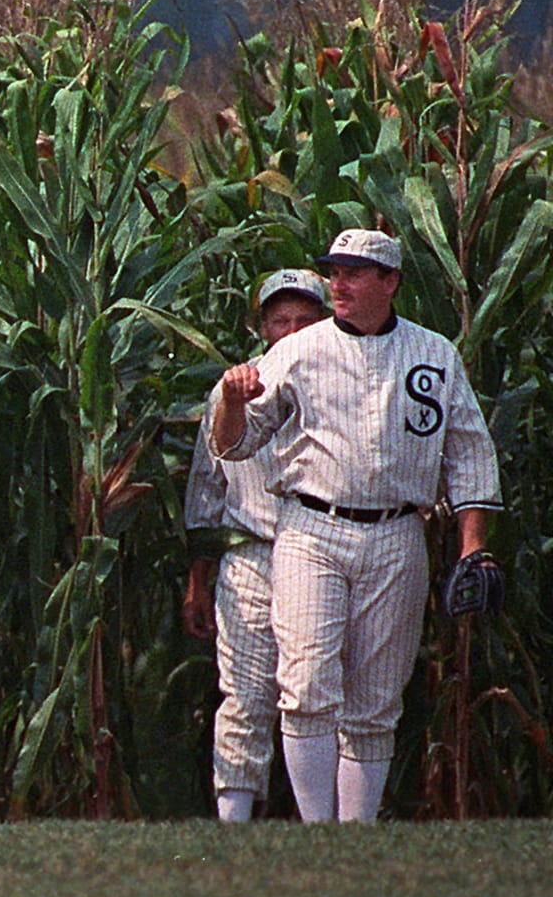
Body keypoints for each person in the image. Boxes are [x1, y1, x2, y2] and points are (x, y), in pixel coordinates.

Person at [210, 229, 499, 823]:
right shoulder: (297, 350)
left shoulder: (434, 353)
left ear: (390, 282)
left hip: (398, 532)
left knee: (374, 701)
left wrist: (474, 548)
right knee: (308, 686)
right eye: (334, 273)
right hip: (311, 528)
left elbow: (469, 454)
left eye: (354, 273)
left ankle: (357, 835)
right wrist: (234, 403)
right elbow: (235, 446)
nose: (338, 284)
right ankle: (321, 836)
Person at [182, 269, 329, 823]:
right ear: (261, 323)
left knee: (314, 691)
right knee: (243, 692)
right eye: (279, 319)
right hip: (250, 552)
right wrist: (198, 578)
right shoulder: (231, 390)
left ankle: (325, 820)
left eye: (304, 319)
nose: (291, 330)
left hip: (321, 548)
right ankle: (234, 821)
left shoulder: (340, 381)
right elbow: (206, 490)